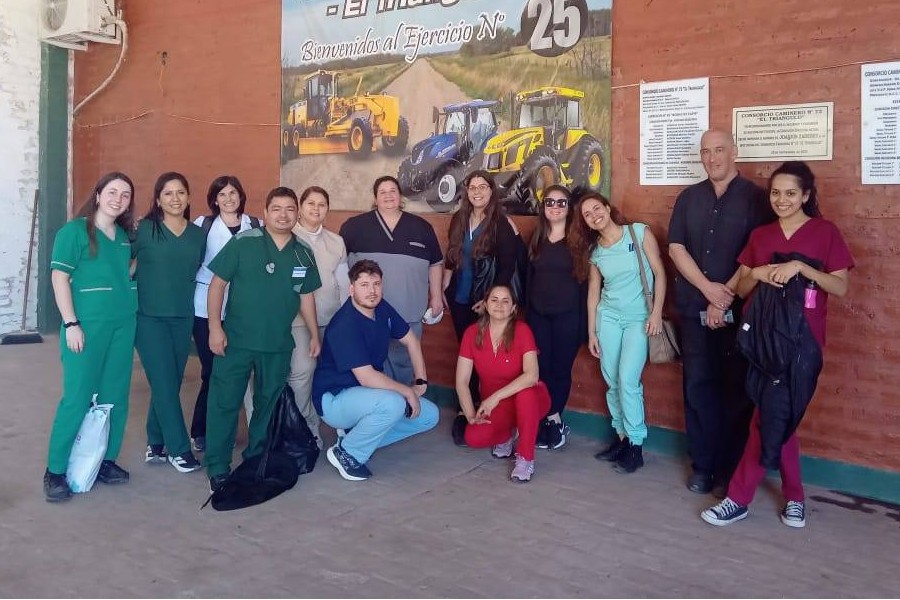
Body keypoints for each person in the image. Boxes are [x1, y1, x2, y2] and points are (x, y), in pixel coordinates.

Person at [701, 161, 853, 528]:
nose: (781, 200)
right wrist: (756, 273)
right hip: (761, 340)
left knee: (772, 417)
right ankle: (793, 498)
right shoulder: (761, 235)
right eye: (775, 193)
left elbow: (840, 287)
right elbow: (741, 288)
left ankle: (739, 499)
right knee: (778, 417)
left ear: (806, 195)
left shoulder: (824, 232)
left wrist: (800, 267)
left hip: (802, 344)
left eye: (790, 193)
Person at [668, 129, 772, 494]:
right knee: (697, 387)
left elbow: (757, 254)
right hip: (694, 308)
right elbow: (676, 248)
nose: (712, 158)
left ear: (734, 152)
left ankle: (730, 471)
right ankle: (703, 466)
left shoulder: (757, 199)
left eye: (719, 150)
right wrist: (707, 290)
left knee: (736, 391)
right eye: (705, 152)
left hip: (739, 313)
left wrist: (723, 296)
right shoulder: (688, 198)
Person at [204, 186, 321, 492]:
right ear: (266, 213)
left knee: (267, 405)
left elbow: (306, 295)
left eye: (290, 209)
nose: (284, 215)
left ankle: (256, 458)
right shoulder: (244, 243)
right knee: (224, 403)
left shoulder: (302, 252)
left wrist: (314, 334)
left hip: (277, 343)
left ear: (297, 214)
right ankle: (217, 466)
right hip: (236, 341)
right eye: (277, 209)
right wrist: (215, 328)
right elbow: (217, 285)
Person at [44, 172, 137, 502]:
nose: (118, 199)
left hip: (123, 324)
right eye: (112, 192)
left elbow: (119, 273)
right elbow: (59, 277)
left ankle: (105, 460)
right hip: (85, 327)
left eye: (125, 195)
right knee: (78, 396)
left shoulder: (123, 237)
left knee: (115, 396)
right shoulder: (74, 232)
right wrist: (71, 323)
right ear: (97, 195)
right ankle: (55, 471)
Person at [312, 259, 439, 482]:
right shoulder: (345, 324)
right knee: (394, 403)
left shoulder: (381, 308)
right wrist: (406, 392)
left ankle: (354, 437)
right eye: (364, 285)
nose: (371, 291)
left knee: (428, 416)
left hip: (367, 395)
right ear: (352, 289)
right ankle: (348, 453)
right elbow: (366, 377)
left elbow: (411, 340)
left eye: (376, 284)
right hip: (334, 398)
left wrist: (420, 382)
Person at [570, 193, 667, 474]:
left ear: (607, 208)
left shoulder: (638, 233)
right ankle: (622, 438)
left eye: (596, 208)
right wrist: (592, 332)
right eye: (587, 215)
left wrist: (656, 313)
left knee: (627, 380)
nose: (594, 216)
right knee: (612, 381)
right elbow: (593, 293)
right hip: (608, 319)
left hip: (639, 319)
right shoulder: (595, 251)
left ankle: (635, 445)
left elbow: (660, 273)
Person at [443, 169, 525, 445]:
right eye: (472, 187)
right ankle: (464, 410)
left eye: (482, 187)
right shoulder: (459, 218)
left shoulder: (501, 223)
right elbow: (452, 255)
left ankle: (488, 409)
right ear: (467, 192)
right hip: (460, 298)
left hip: (486, 302)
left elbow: (507, 267)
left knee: (487, 357)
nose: (477, 192)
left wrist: (490, 300)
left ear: (491, 191)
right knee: (465, 355)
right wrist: (444, 286)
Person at [339, 175, 444, 387]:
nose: (388, 196)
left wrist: (436, 296)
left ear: (400, 196)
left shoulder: (421, 227)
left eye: (393, 191)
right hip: (366, 312)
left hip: (408, 311)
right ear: (375, 198)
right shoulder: (354, 227)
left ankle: (402, 399)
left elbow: (435, 264)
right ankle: (375, 403)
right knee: (368, 363)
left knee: (405, 362)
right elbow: (340, 267)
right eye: (383, 192)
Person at [133, 172, 206, 473]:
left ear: (188, 197)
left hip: (182, 317)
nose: (175, 199)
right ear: (158, 199)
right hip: (148, 317)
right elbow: (121, 263)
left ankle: (156, 441)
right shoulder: (144, 230)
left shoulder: (198, 235)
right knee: (164, 382)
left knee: (170, 381)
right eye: (168, 193)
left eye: (180, 193)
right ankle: (179, 449)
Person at [189, 175, 261, 452]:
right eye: (222, 194)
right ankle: (202, 430)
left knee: (235, 373)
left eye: (233, 193)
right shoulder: (203, 225)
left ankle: (226, 429)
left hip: (242, 308)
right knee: (212, 371)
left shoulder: (256, 225)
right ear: (214, 199)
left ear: (241, 196)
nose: (228, 198)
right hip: (206, 308)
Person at [456, 284, 551, 483]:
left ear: (513, 308)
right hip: (498, 406)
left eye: (505, 301)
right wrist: (471, 415)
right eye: (494, 300)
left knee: (525, 394)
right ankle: (507, 435)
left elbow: (532, 376)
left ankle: (525, 458)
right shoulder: (472, 333)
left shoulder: (522, 331)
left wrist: (495, 397)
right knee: (473, 437)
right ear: (485, 304)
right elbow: (462, 381)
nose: (499, 305)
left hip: (532, 399)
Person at [288, 186, 349, 448]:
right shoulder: (287, 237)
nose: (316, 208)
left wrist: (346, 320)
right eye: (310, 203)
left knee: (336, 372)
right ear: (300, 207)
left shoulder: (336, 242)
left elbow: (344, 284)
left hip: (331, 318)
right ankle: (306, 429)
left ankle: (342, 423)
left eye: (321, 204)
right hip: (298, 322)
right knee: (303, 373)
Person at [526, 185, 585, 450]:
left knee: (561, 370)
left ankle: (554, 419)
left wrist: (585, 326)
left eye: (561, 202)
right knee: (541, 369)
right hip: (538, 316)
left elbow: (586, 285)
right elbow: (528, 279)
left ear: (569, 208)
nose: (555, 207)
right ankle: (546, 416)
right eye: (550, 202)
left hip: (568, 317)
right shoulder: (536, 239)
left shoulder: (579, 242)